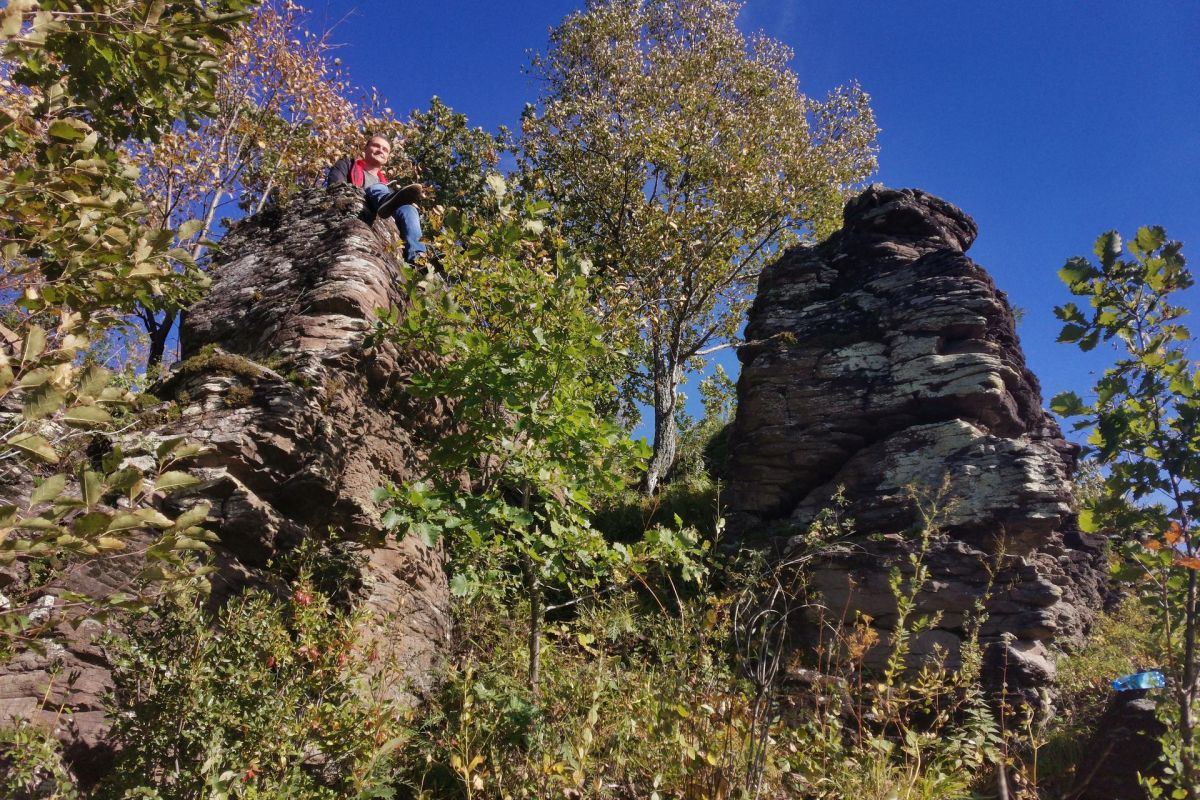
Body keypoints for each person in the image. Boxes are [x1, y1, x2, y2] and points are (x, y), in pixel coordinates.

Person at [327, 133, 428, 263]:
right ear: (366, 149)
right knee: (378, 188)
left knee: (409, 209)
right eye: (376, 146)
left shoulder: (386, 185)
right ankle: (383, 201)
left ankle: (418, 256)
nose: (380, 150)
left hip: (382, 209)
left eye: (385, 149)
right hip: (360, 202)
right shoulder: (347, 164)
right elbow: (336, 186)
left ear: (387, 158)